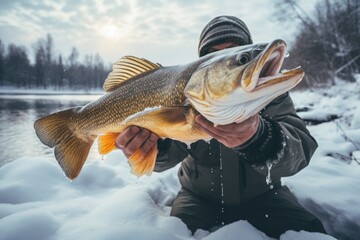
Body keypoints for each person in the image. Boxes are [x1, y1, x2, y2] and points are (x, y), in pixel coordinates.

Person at [116, 16, 326, 238]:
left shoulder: (270, 95)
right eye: (214, 54)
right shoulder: (187, 96)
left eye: (239, 53)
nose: (243, 60)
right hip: (197, 198)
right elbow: (164, 159)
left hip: (265, 197)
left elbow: (300, 151)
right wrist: (145, 149)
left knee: (312, 233)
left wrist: (260, 137)